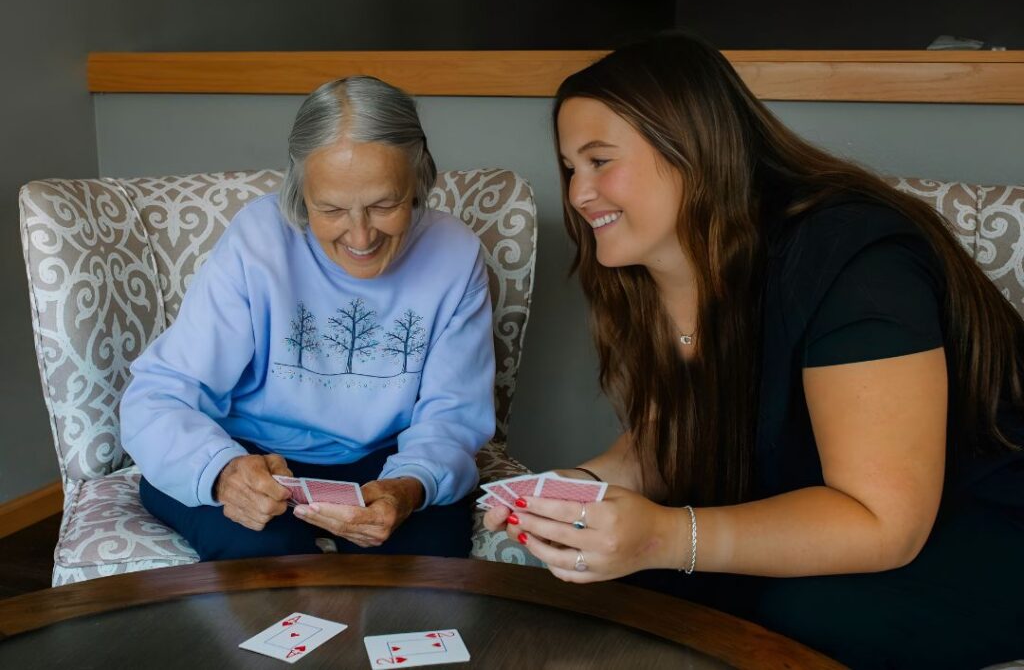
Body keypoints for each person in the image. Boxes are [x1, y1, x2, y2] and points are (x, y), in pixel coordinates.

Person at [484, 33, 1024, 668]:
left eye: (600, 161)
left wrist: (662, 535)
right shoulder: (655, 265)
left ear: (693, 150)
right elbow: (667, 439)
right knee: (620, 584)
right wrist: (577, 488)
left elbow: (884, 521)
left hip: (976, 529)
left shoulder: (854, 257)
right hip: (818, 518)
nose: (577, 194)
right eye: (571, 167)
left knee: (789, 615)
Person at [121, 75, 495, 561]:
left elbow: (452, 417)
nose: (360, 237)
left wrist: (410, 486)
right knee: (267, 557)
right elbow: (160, 393)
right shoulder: (257, 240)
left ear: (419, 178)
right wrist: (222, 470)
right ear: (300, 193)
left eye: (385, 205)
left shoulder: (455, 252)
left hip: (387, 462)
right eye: (331, 209)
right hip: (250, 455)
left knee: (424, 572)